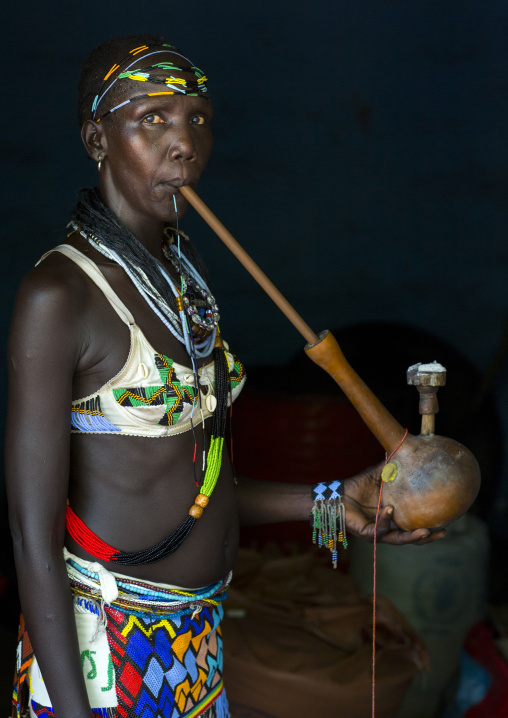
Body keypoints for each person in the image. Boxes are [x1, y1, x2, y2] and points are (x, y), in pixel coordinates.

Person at [6, 34, 445, 718]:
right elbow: (32, 537)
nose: (185, 143)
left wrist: (333, 501)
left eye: (198, 119)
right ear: (97, 138)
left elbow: (194, 489)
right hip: (104, 653)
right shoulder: (59, 298)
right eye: (153, 119)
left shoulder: (188, 279)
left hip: (197, 642)